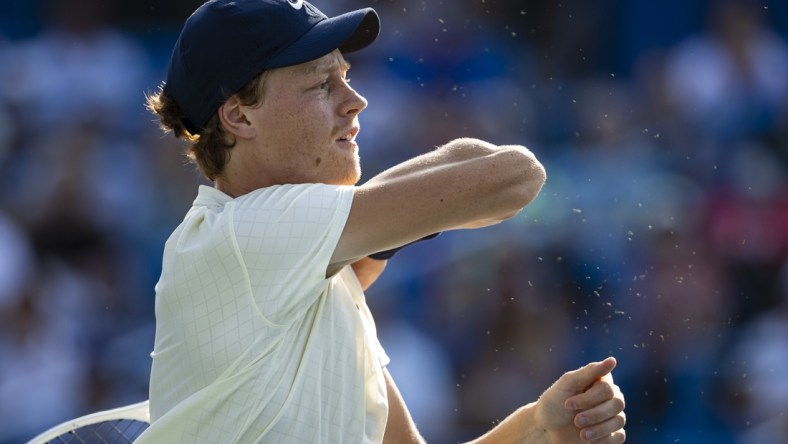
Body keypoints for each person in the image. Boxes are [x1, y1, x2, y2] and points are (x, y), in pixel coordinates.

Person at [138, 0, 626, 442]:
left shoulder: (321, 284)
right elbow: (516, 176)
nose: (354, 100)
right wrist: (382, 233)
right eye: (321, 85)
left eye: (346, 77)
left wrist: (541, 423)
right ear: (240, 118)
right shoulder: (246, 231)